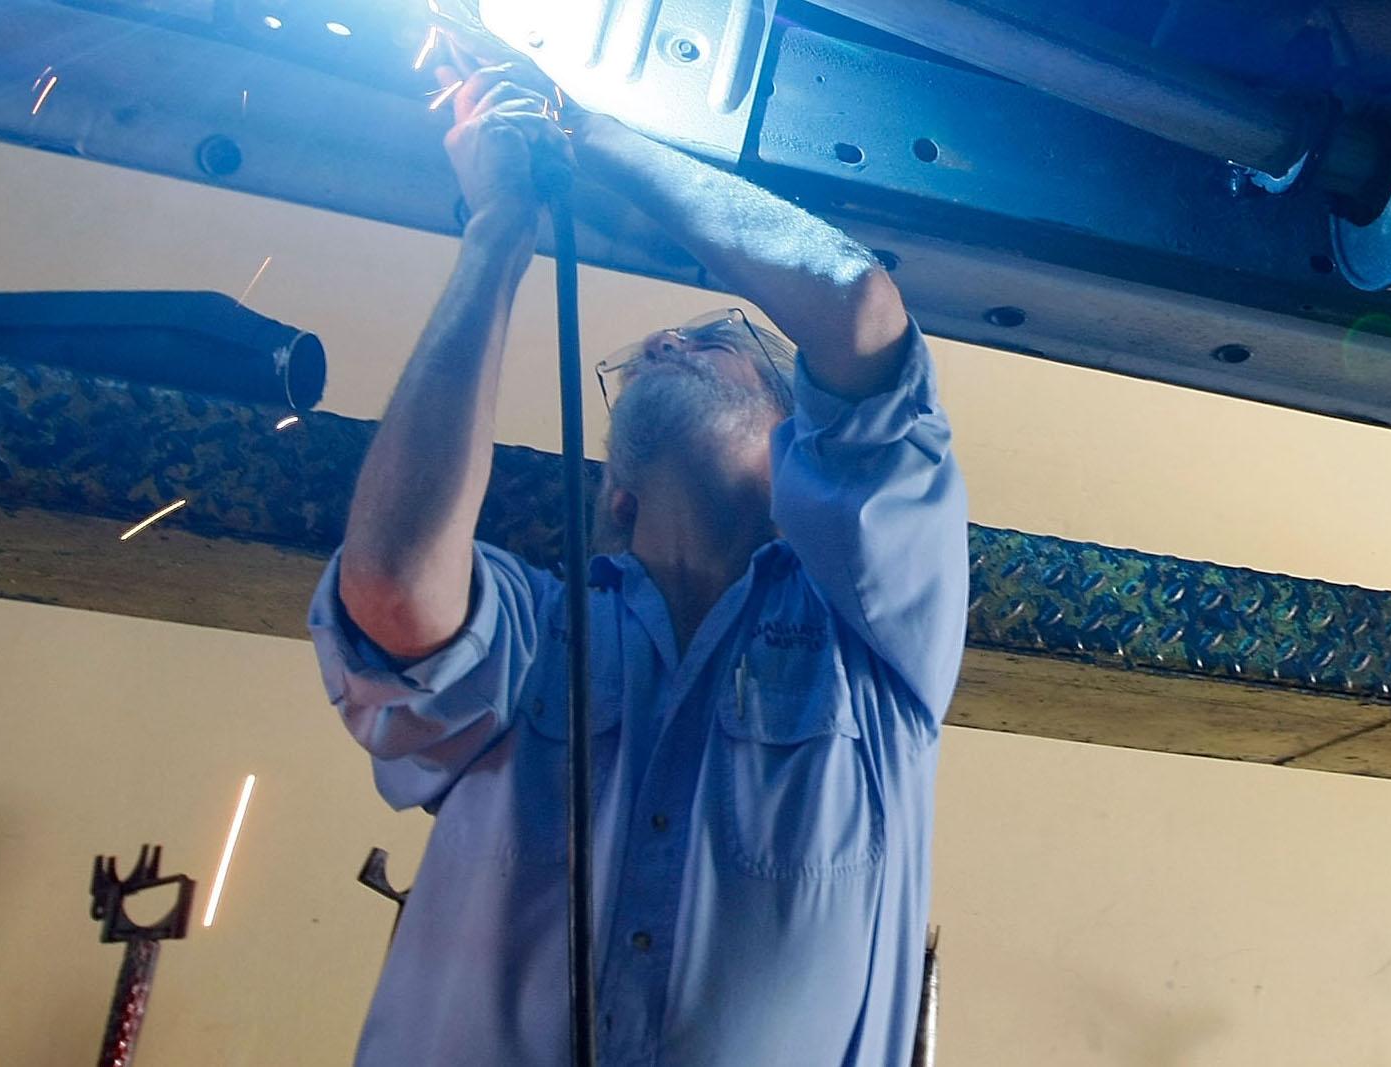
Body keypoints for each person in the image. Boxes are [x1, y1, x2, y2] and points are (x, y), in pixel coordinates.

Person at [303, 43, 967, 1067]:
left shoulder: (874, 636)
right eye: (653, 349)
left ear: (802, 445)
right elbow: (392, 582)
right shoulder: (535, 634)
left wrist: (589, 133)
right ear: (613, 493)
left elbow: (859, 314)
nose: (663, 343)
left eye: (714, 337)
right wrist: (497, 227)